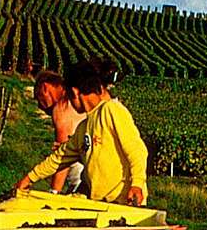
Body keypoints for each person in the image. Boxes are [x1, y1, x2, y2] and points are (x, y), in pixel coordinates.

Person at [15, 56, 148, 206]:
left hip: (126, 203)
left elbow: (137, 151)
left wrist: (137, 184)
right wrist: (29, 178)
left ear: (74, 92)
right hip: (102, 205)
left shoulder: (111, 110)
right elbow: (60, 157)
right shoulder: (83, 128)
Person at [30, 68, 86, 194]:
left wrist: (54, 191)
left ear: (45, 88)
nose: (40, 105)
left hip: (81, 180)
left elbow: (62, 158)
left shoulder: (62, 107)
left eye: (39, 98)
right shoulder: (75, 100)